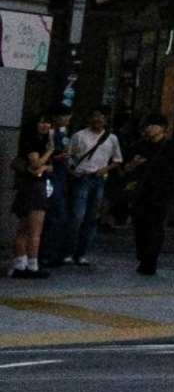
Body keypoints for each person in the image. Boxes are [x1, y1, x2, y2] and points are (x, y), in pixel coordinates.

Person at [55, 106, 117, 269]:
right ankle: (67, 252)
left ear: (106, 120)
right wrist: (71, 170)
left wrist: (105, 169)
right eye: (95, 116)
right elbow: (68, 156)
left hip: (99, 179)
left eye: (101, 117)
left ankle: (81, 253)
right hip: (81, 178)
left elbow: (117, 160)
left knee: (91, 218)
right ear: (89, 119)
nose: (98, 120)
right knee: (77, 216)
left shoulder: (112, 139)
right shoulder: (79, 136)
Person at [122, 115, 174, 275]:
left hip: (163, 191)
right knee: (140, 224)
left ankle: (151, 259)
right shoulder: (138, 146)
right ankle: (143, 254)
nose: (149, 128)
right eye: (147, 125)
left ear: (163, 128)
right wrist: (133, 165)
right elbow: (126, 169)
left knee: (156, 226)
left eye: (153, 125)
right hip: (141, 191)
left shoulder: (171, 146)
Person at [6, 110, 49, 275]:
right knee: (34, 230)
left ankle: (20, 264)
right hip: (34, 189)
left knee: (24, 228)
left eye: (47, 123)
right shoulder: (34, 144)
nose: (45, 126)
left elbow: (41, 167)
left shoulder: (33, 142)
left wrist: (44, 166)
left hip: (27, 188)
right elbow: (36, 165)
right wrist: (50, 151)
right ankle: (32, 265)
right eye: (42, 122)